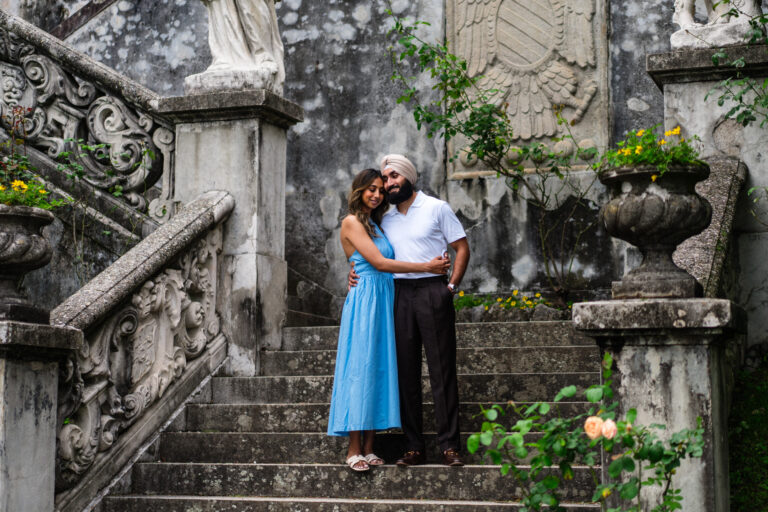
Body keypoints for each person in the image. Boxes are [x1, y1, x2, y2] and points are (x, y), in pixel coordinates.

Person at [349, 154, 470, 467]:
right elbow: (368, 253)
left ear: (408, 178)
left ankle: (449, 447)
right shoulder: (383, 218)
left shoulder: (436, 208)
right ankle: (414, 447)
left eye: (393, 177)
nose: (388, 184)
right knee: (405, 373)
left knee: (442, 370)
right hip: (398, 294)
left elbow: (462, 247)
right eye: (385, 179)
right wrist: (351, 271)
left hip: (433, 290)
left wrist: (451, 288)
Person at [327, 168, 451, 472]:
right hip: (366, 302)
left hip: (385, 299)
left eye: (381, 190)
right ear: (358, 190)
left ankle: (370, 447)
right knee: (360, 368)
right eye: (371, 189)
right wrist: (427, 266)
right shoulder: (351, 222)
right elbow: (380, 262)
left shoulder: (376, 224)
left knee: (377, 369)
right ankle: (353, 448)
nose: (377, 195)